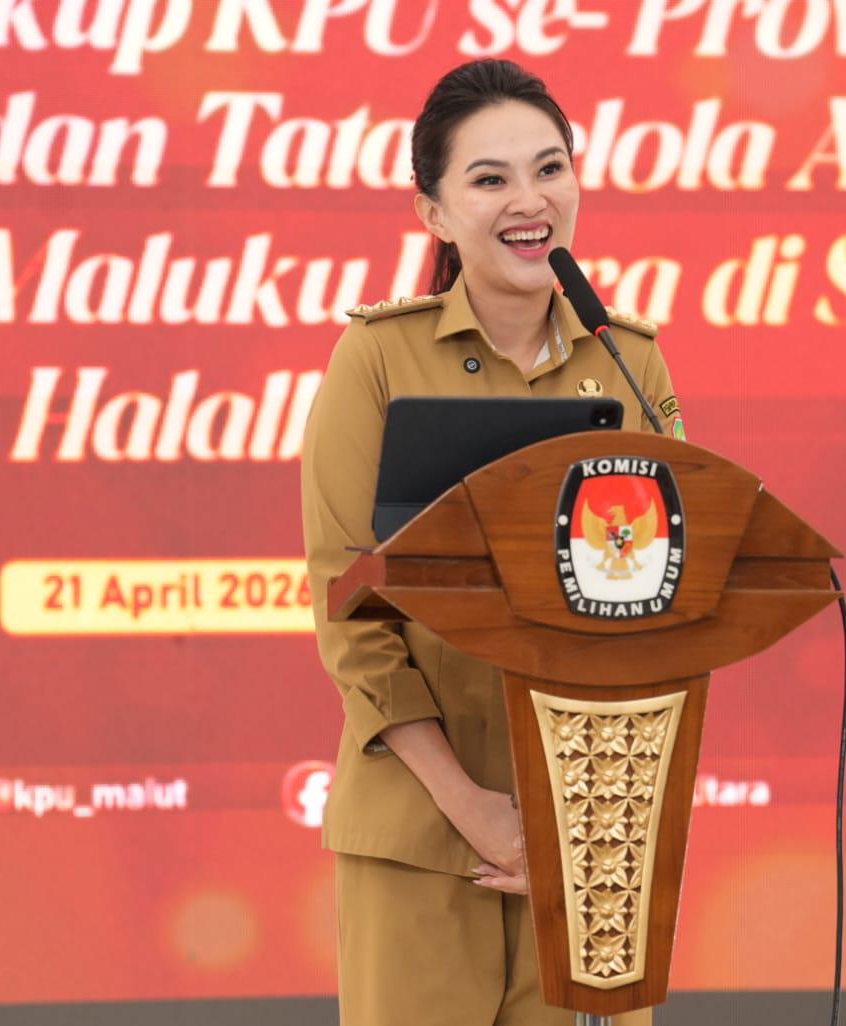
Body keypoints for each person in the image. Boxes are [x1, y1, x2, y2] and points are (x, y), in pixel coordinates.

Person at [300, 58, 684, 1026]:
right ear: (433, 213)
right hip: (419, 830)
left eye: (550, 168)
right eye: (489, 178)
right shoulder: (378, 357)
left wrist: (577, 824)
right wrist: (473, 808)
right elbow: (350, 610)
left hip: (589, 842)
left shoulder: (630, 362)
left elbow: (667, 605)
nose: (529, 200)